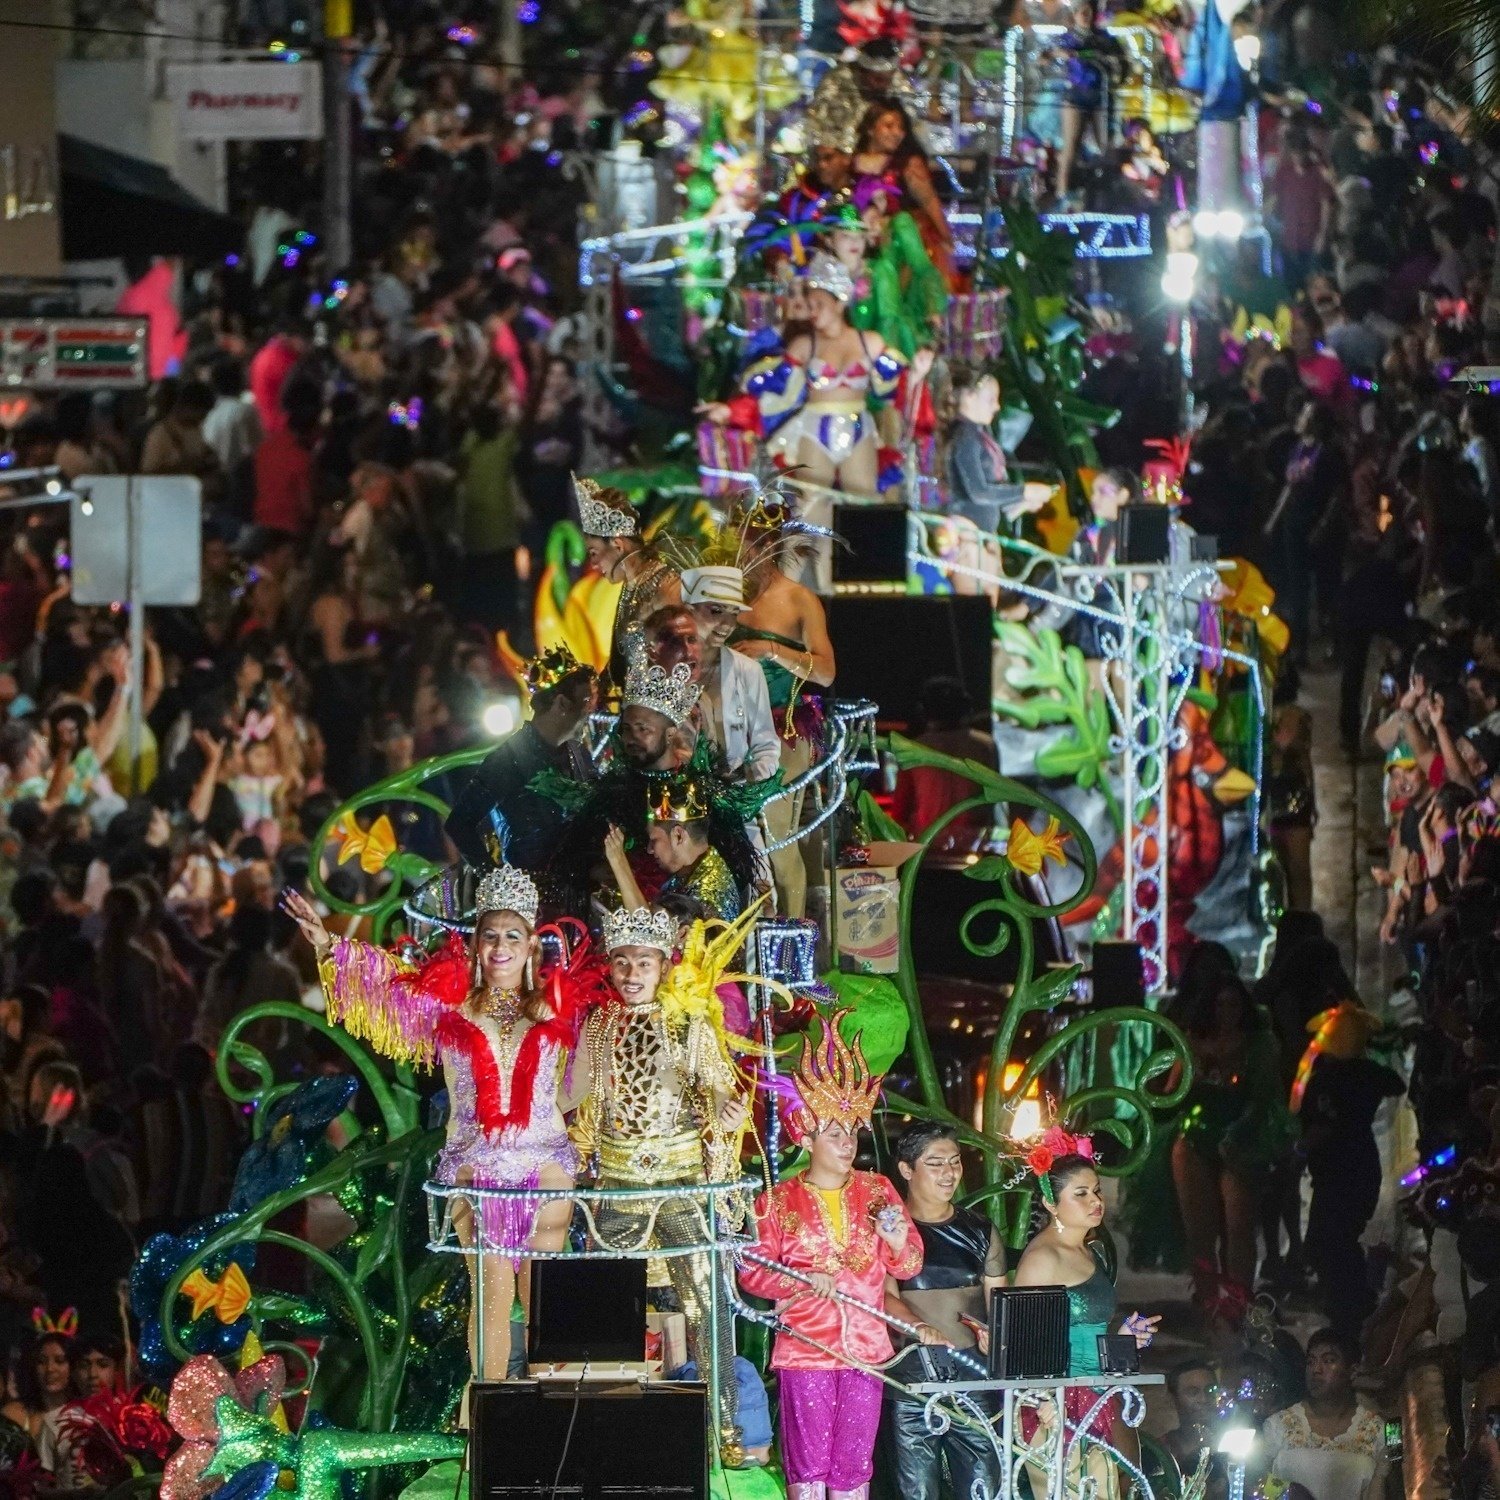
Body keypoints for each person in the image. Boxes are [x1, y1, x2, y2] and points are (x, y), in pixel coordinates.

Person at [284, 867, 601, 1381]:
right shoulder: (447, 1006)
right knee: (492, 1298)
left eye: (512, 936)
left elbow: (585, 1076)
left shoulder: (557, 1007)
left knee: (545, 1298)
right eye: (490, 936)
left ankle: (550, 1419)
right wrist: (329, 946)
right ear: (476, 944)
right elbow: (384, 989)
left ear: (531, 946)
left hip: (546, 1165)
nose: (500, 947)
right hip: (476, 1169)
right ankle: (490, 1420)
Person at [571, 903, 761, 1466]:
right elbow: (584, 1105)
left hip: (680, 1182)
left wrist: (728, 1109)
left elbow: (719, 1087)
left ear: (663, 966)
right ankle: (607, 1426)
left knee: (705, 1304)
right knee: (607, 1308)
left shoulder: (689, 1022)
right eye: (623, 963)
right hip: (620, 1184)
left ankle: (722, 1428)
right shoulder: (600, 1025)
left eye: (645, 963)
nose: (632, 975)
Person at [738, 1012, 923, 1500]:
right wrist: (800, 1280)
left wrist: (900, 1241)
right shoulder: (776, 1201)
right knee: (810, 1464)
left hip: (866, 1351)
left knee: (853, 1465)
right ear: (805, 1140)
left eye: (851, 1132)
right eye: (833, 1134)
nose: (847, 1143)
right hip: (807, 1352)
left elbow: (908, 1266)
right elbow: (752, 1273)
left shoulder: (878, 1189)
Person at [701, 254, 924, 499]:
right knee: (812, 506)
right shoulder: (803, 346)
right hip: (814, 429)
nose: (813, 311)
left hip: (859, 427)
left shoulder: (869, 342)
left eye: (819, 304)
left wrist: (916, 374)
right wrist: (731, 411)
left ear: (839, 303)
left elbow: (898, 384)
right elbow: (773, 387)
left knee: (863, 501)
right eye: (810, 304)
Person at [1013, 1143, 1160, 1500]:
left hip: (1102, 1390)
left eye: (1096, 1191)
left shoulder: (1091, 1251)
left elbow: (1087, 1329)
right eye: (1080, 1194)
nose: (1096, 1200)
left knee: (1119, 1489)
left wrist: (1123, 1338)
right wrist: (1044, 1399)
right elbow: (1022, 1342)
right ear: (1051, 1203)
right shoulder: (1041, 1259)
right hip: (1057, 1403)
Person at [726, 492, 837, 917]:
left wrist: (773, 650)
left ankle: (792, 943)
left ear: (767, 546)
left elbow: (826, 673)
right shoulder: (725, 594)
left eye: (747, 548)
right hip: (732, 730)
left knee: (775, 833)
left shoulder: (798, 600)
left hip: (786, 727)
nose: (739, 557)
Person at [883, 1121, 1007, 1500]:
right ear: (907, 1169)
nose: (950, 1172)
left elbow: (1001, 1304)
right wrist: (918, 1325)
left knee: (984, 1486)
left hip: (974, 1377)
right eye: (936, 1163)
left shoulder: (980, 1229)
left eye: (955, 1162)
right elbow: (884, 1297)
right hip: (911, 1380)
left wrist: (997, 1336)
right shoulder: (888, 1227)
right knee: (915, 1490)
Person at [445, 644, 597, 873]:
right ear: (563, 704)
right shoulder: (508, 759)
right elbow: (459, 823)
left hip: (581, 888)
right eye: (586, 703)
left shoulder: (578, 753)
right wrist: (496, 878)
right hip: (532, 896)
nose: (590, 713)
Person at [575, 477, 680, 691]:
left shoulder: (666, 586)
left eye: (594, 553)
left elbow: (680, 657)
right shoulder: (631, 587)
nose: (593, 563)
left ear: (617, 545)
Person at [681, 564, 780, 790]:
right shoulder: (667, 667)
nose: (727, 624)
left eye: (734, 614)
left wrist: (748, 778)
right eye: (716, 611)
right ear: (688, 610)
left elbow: (766, 747)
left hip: (734, 803)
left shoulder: (748, 670)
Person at [1261, 1330, 1387, 1500]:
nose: (1316, 1369)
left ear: (1353, 1371)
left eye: (1328, 1361)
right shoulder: (1279, 1425)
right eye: (1310, 1362)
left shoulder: (1379, 1430)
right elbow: (1259, 1486)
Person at [456, 403, 523, 635]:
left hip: (490, 539)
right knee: (497, 604)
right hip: (483, 539)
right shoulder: (475, 443)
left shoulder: (485, 443)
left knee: (495, 606)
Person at [1, 1328, 79, 1472]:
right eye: (41, 1361)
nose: (50, 1368)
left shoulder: (84, 1416)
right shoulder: (13, 1415)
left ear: (74, 1366)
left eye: (60, 1361)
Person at [1163, 1358, 1219, 1476]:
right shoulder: (1161, 1451)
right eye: (1193, 1392)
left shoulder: (1232, 1443)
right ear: (1173, 1399)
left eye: (1210, 1390)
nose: (1203, 1399)